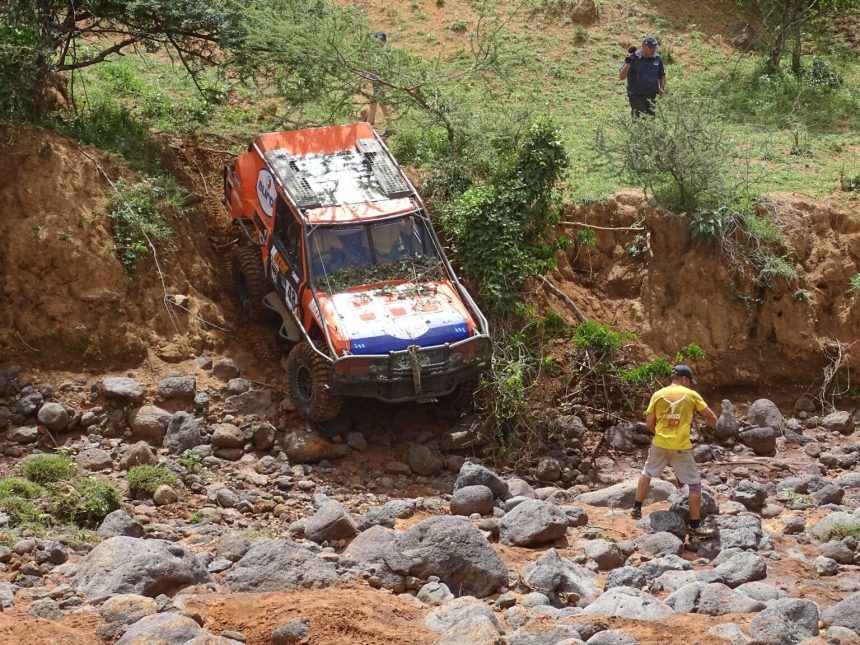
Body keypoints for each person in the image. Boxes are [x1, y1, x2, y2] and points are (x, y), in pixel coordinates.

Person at [631, 364, 718, 538]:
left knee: (647, 472)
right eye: (689, 381)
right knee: (694, 484)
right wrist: (709, 429)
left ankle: (636, 509)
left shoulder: (658, 394)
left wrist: (662, 434)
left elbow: (649, 423)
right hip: (680, 447)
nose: (690, 385)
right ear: (685, 379)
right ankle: (694, 525)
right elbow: (712, 418)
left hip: (659, 443)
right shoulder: (692, 395)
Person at [619, 35, 666, 117]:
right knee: (640, 118)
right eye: (651, 48)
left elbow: (662, 75)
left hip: (651, 96)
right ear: (644, 47)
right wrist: (629, 63)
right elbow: (621, 77)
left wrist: (661, 87)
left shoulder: (658, 58)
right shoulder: (633, 57)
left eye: (654, 48)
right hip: (636, 94)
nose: (653, 50)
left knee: (650, 122)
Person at [366, 31, 393, 137]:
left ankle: (367, 128)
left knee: (374, 104)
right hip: (376, 83)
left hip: (378, 84)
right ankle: (390, 128)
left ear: (383, 42)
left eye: (378, 41)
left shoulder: (383, 55)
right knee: (381, 104)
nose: (376, 43)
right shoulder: (376, 54)